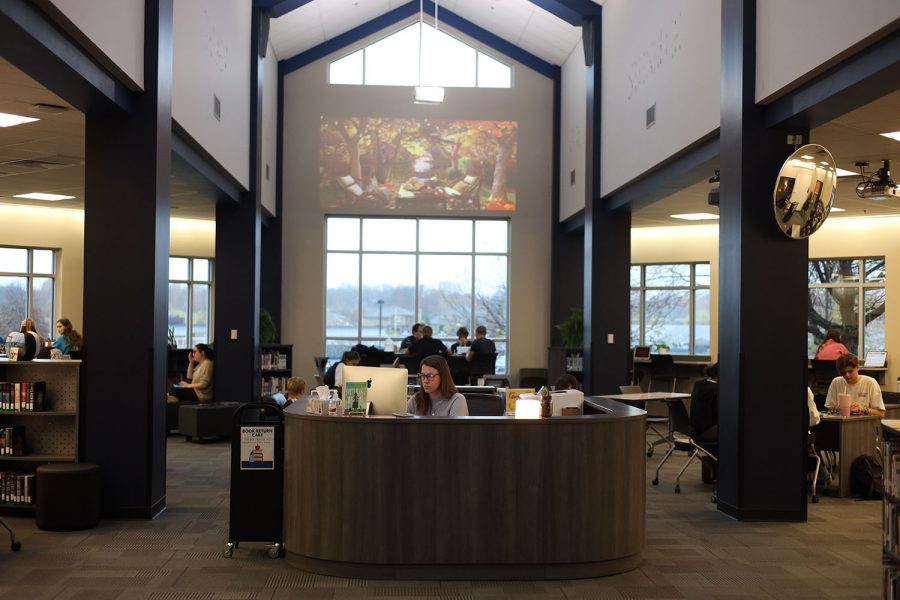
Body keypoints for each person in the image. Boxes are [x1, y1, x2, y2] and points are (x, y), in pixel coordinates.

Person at [824, 353, 885, 418]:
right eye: (843, 372)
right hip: (842, 423)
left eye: (850, 371)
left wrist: (863, 409)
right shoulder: (836, 382)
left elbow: (881, 414)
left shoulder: (870, 383)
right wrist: (837, 409)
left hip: (863, 424)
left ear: (857, 368)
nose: (847, 375)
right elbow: (829, 409)